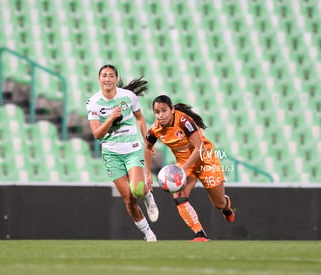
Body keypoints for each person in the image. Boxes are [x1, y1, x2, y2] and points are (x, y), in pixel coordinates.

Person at [144, 94, 235, 242]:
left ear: (172, 110)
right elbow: (147, 147)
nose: (160, 115)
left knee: (219, 203)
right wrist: (147, 173)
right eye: (157, 112)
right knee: (178, 194)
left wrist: (183, 168)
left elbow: (200, 147)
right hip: (184, 164)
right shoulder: (155, 129)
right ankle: (200, 233)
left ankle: (227, 207)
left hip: (206, 160)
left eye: (164, 110)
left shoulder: (184, 122)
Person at [86, 64, 159, 241]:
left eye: (111, 76)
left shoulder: (128, 97)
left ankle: (148, 196)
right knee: (128, 199)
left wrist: (147, 142)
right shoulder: (93, 102)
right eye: (104, 75)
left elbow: (140, 118)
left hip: (132, 149)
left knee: (138, 190)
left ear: (116, 78)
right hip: (111, 154)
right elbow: (97, 134)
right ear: (99, 79)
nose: (107, 79)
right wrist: (111, 118)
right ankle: (148, 234)